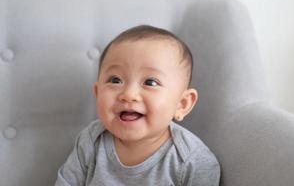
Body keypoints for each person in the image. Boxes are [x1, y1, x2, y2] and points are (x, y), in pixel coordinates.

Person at [55, 25, 220, 186]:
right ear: (98, 94)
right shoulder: (92, 140)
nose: (129, 94)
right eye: (115, 80)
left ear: (182, 104)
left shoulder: (192, 161)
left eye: (150, 82)